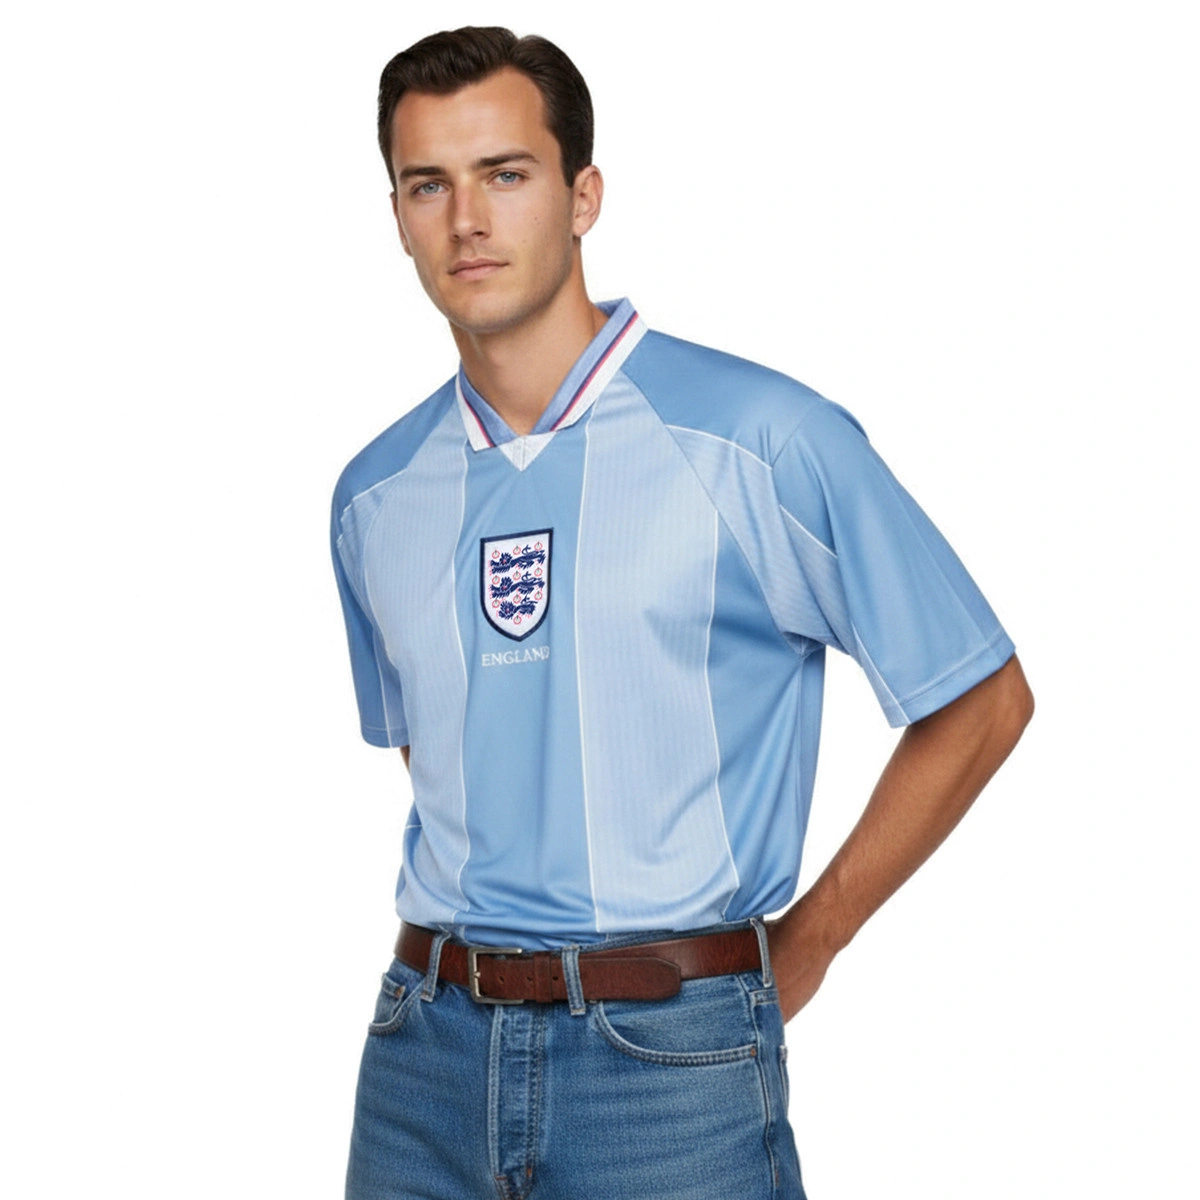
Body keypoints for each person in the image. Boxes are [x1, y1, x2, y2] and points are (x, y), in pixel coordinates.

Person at [331, 25, 1034, 1200]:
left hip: (667, 1064)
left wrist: (808, 942)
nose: (468, 220)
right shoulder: (373, 496)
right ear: (397, 216)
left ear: (583, 195)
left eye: (506, 173)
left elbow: (981, 698)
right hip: (423, 1059)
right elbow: (439, 756)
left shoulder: (762, 439)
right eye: (428, 184)